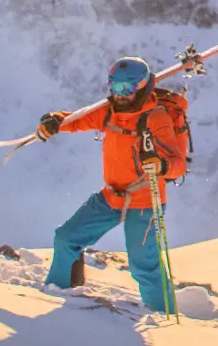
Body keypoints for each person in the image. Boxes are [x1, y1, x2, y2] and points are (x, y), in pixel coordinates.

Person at [34, 56, 190, 312]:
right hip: (111, 196)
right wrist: (55, 121)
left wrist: (162, 167)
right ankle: (57, 294)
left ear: (140, 87)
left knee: (144, 267)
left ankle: (164, 320)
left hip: (145, 202)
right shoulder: (110, 112)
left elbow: (178, 163)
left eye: (125, 89)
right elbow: (79, 119)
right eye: (114, 87)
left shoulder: (155, 118)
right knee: (66, 238)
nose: (119, 95)